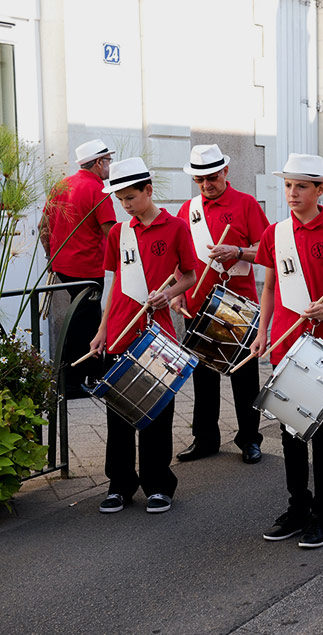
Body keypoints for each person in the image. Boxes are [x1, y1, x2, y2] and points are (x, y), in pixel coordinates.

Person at [251, 153, 323, 547]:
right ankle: (297, 507)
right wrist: (262, 330)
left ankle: (322, 513)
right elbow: (269, 288)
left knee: (319, 432)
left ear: (321, 189)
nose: (293, 193)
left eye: (301, 186)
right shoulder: (275, 233)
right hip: (286, 343)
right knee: (289, 432)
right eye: (288, 186)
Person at [86, 157, 197, 514]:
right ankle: (120, 485)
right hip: (119, 330)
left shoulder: (176, 227)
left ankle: (158, 485)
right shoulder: (119, 233)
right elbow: (112, 285)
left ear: (148, 191)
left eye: (130, 197)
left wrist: (168, 293)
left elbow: (190, 275)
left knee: (156, 414)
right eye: (121, 199)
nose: (125, 205)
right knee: (118, 414)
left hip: (156, 331)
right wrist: (102, 330)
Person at [170, 144, 269, 465]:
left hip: (238, 304)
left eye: (211, 178)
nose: (205, 185)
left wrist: (237, 252)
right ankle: (206, 438)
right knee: (203, 376)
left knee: (244, 376)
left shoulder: (246, 204)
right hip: (198, 305)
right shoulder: (188, 209)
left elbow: (267, 251)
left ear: (225, 172)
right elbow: (180, 259)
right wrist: (177, 292)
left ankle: (250, 439)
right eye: (199, 180)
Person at [39, 139, 117, 396]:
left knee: (89, 319)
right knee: (84, 323)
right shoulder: (98, 190)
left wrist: (52, 258)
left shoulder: (61, 184)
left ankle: (92, 375)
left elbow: (43, 226)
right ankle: (70, 381)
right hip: (88, 268)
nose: (109, 165)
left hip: (63, 266)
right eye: (107, 160)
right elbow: (111, 234)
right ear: (98, 163)